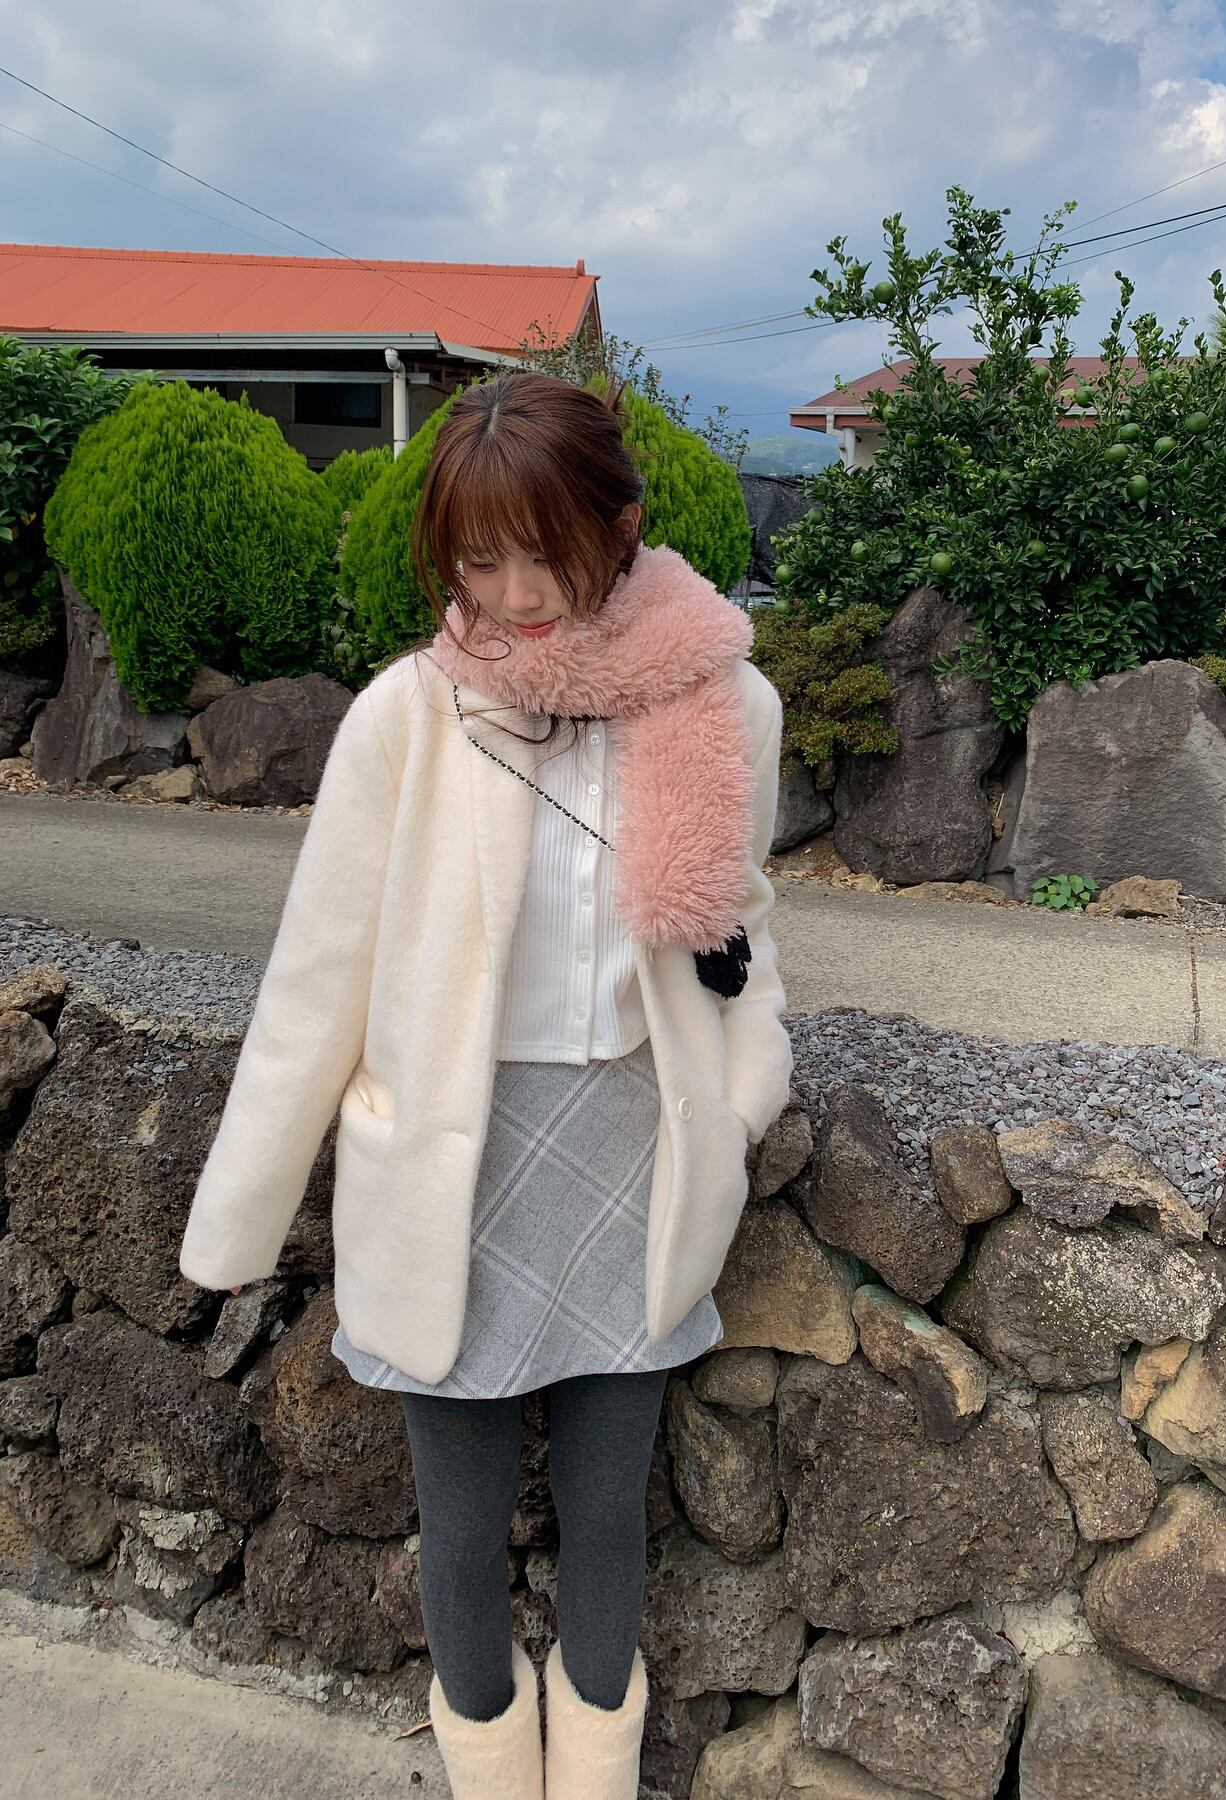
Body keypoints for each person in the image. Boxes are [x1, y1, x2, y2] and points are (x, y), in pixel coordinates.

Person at [177, 369, 793, 1800]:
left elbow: (744, 933)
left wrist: (743, 1095)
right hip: (451, 1170)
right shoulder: (409, 714)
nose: (514, 595)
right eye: (480, 558)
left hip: (635, 1156)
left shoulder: (723, 706)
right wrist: (239, 1213)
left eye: (547, 553)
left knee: (608, 1517)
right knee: (457, 1529)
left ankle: (594, 1774)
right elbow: (318, 974)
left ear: (620, 528)